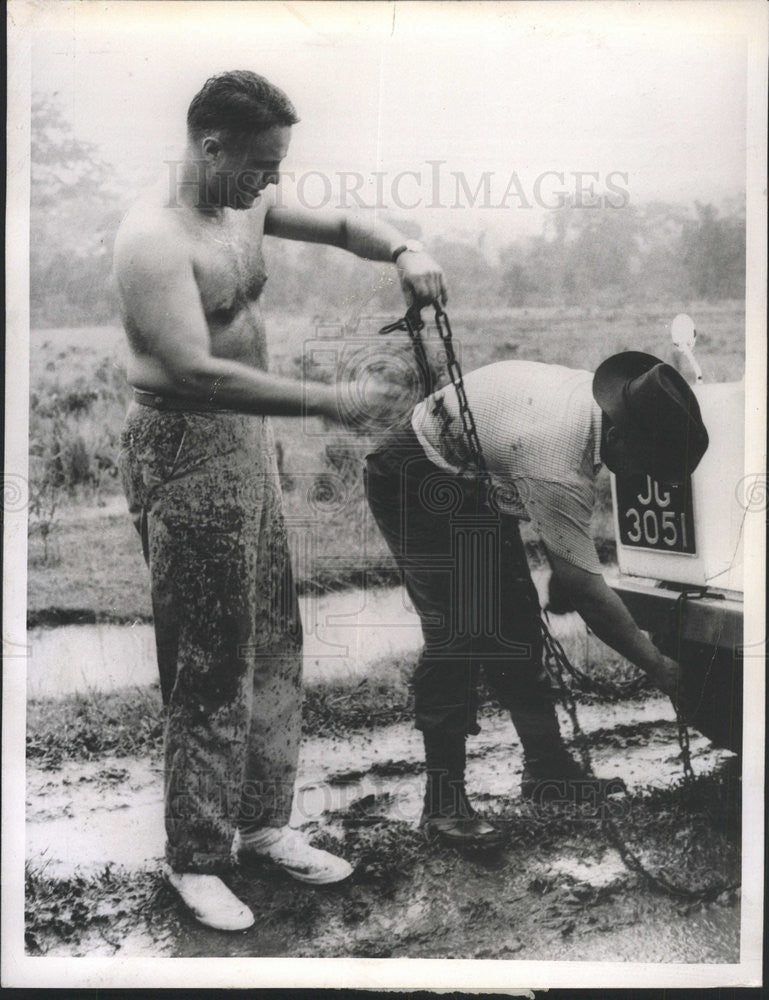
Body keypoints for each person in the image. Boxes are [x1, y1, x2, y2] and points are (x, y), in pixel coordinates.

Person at [114, 70, 446, 931]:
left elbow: (339, 225)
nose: (271, 182)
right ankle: (196, 859)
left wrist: (405, 249)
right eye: (261, 164)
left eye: (279, 165)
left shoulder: (240, 201)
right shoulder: (152, 238)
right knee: (209, 655)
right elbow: (195, 369)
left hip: (245, 447)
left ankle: (263, 825)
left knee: (273, 635)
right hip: (183, 443)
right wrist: (327, 401)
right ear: (210, 145)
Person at [364, 348, 709, 849]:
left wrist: (565, 568)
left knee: (514, 623)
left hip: (471, 476)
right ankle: (442, 804)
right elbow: (587, 590)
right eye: (644, 462)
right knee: (458, 633)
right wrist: (661, 668)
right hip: (411, 475)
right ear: (618, 434)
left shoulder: (593, 412)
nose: (641, 476)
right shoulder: (558, 457)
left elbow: (571, 568)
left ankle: (547, 772)